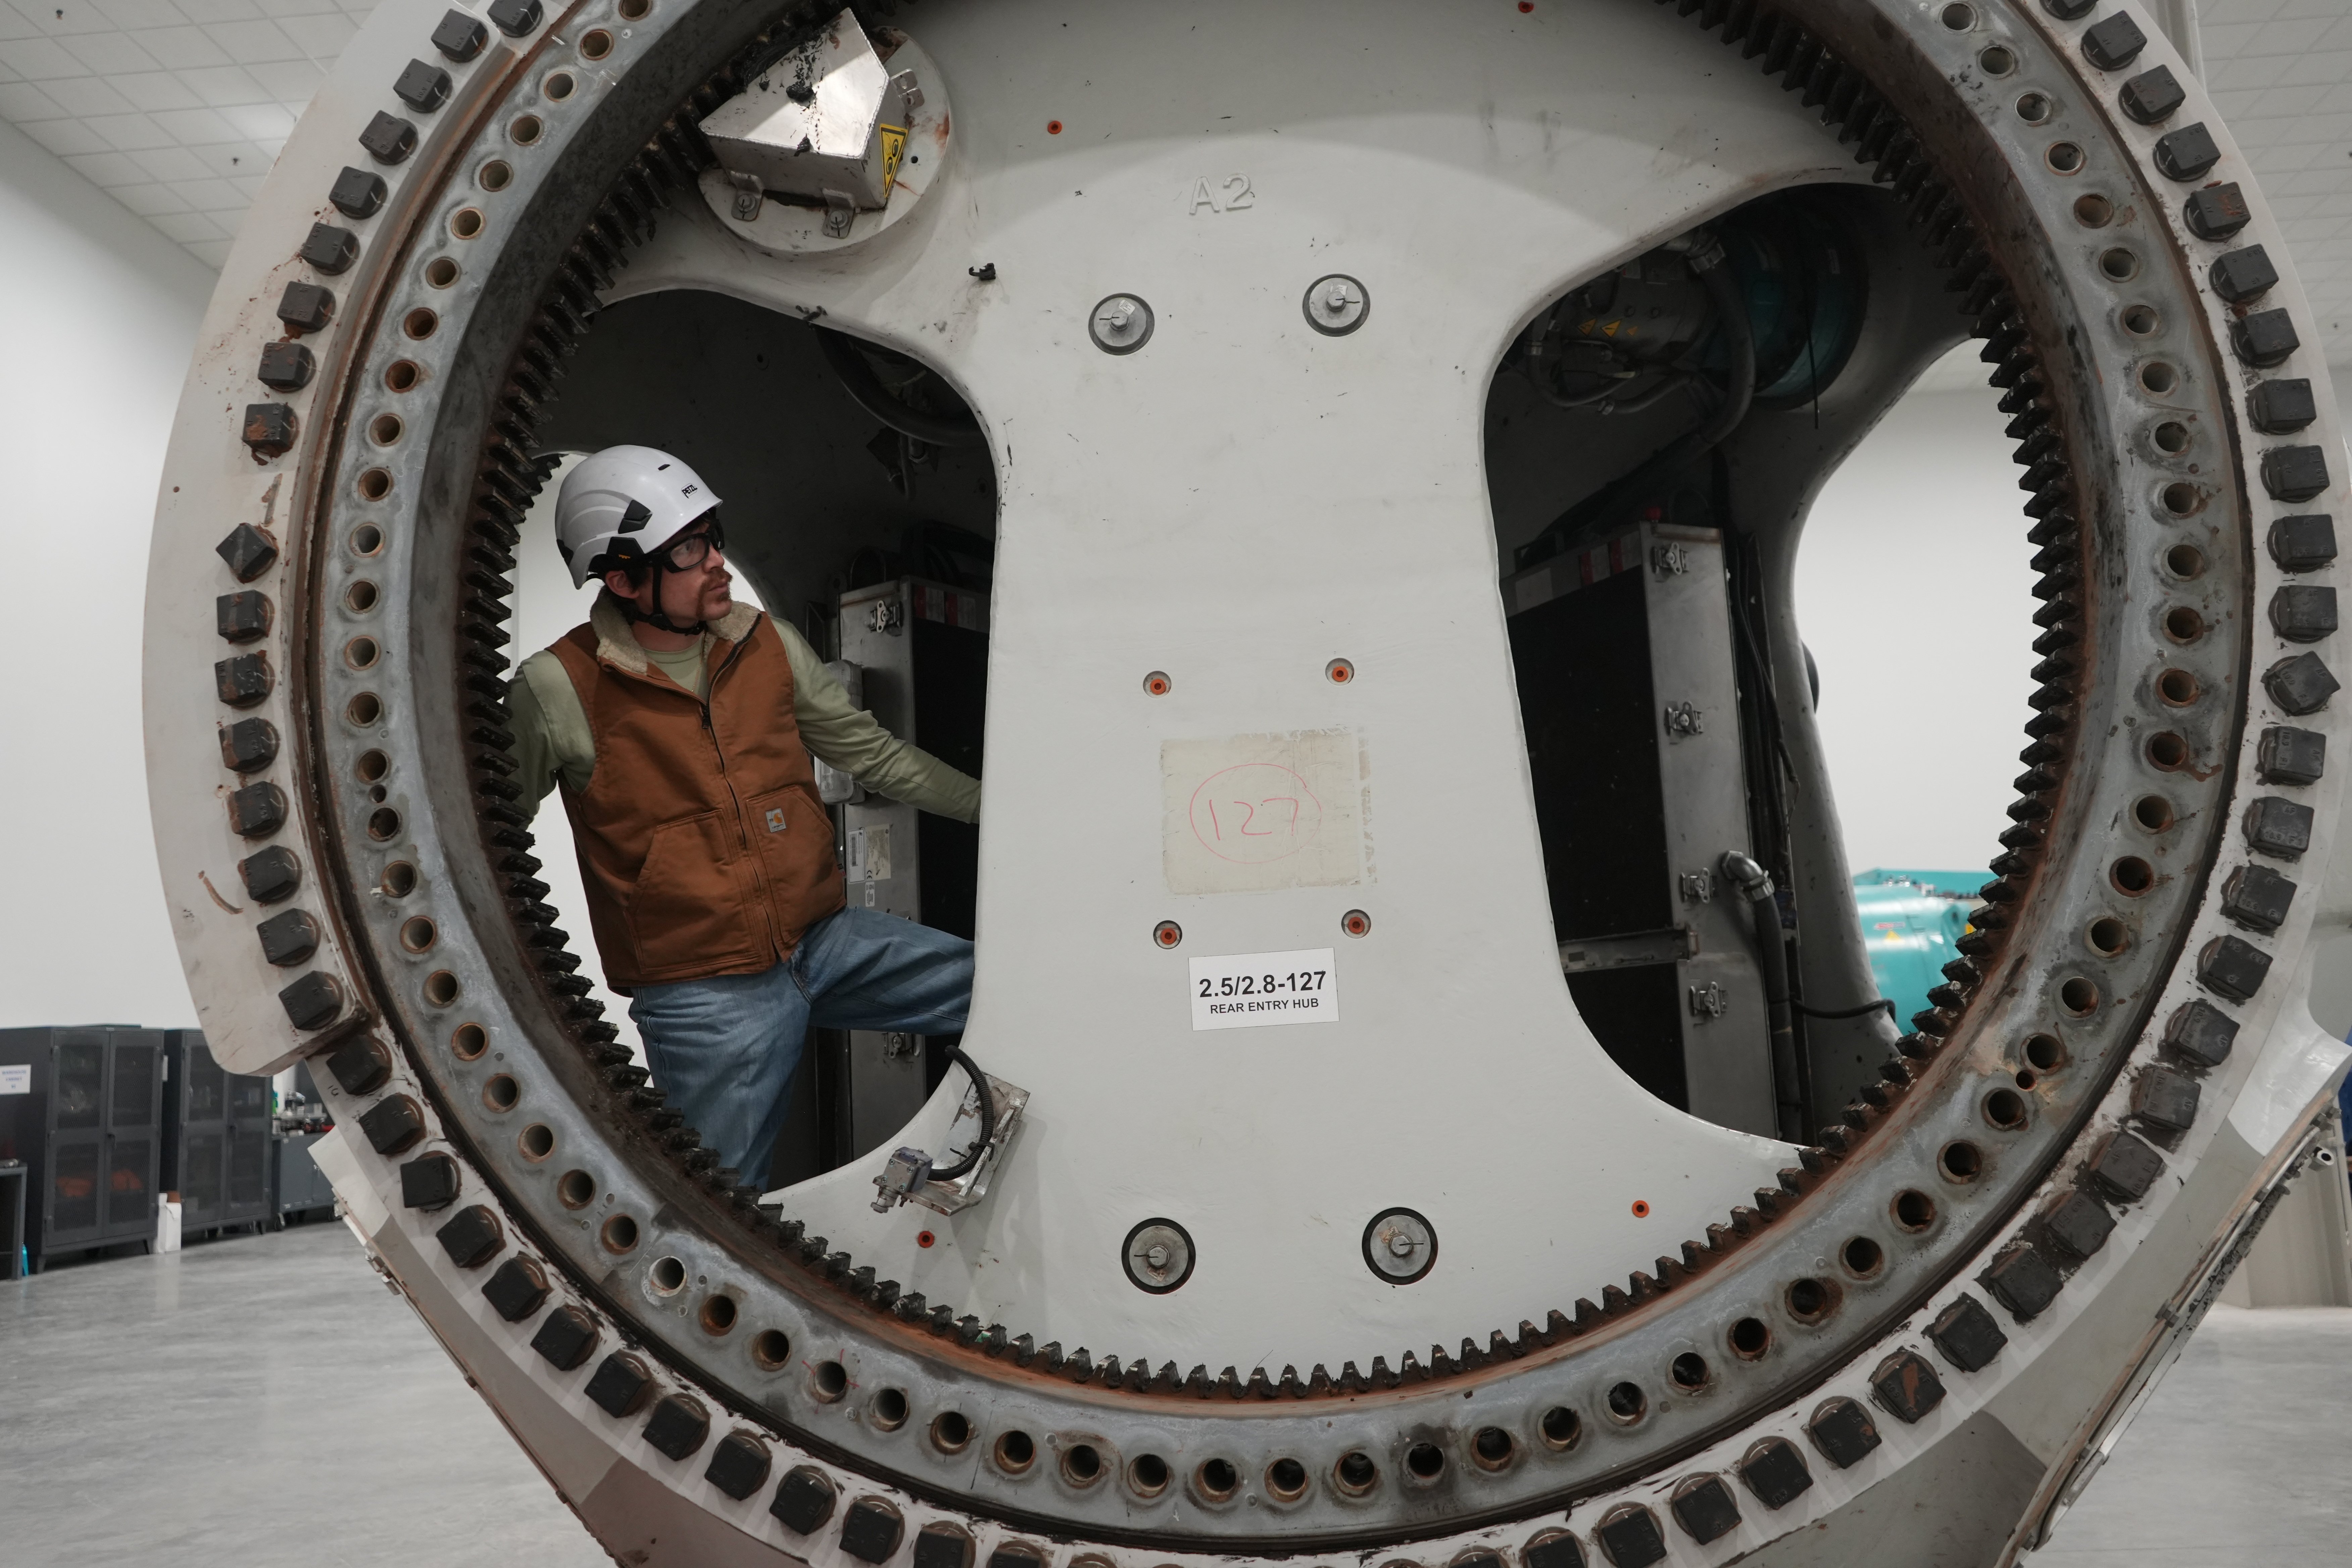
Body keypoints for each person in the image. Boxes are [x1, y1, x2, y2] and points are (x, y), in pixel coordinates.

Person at [507, 444, 981, 1189]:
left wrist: (1002, 813)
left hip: (824, 939)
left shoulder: (767, 643)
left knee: (1000, 990)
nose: (717, 564)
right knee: (720, 1206)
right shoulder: (556, 688)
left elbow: (878, 758)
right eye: (689, 552)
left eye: (713, 538)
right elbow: (490, 840)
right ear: (625, 577)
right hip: (701, 990)